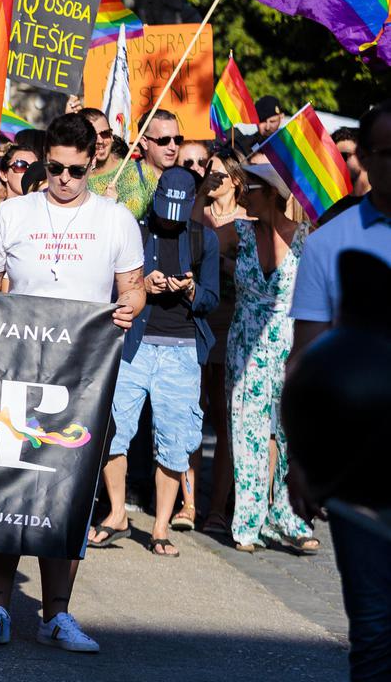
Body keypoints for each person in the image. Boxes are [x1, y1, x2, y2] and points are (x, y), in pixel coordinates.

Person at [0, 112, 145, 654]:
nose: (63, 179)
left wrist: (127, 310)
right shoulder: (11, 212)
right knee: (4, 487)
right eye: (53, 168)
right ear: (44, 160)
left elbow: (132, 290)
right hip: (13, 371)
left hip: (83, 377)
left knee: (64, 494)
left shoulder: (116, 218)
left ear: (94, 160)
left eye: (73, 169)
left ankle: (57, 614)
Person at [290, 100, 391, 678]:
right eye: (388, 153)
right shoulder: (332, 244)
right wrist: (301, 458)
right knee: (375, 631)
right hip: (359, 472)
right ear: (369, 161)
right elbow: (305, 356)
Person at [87, 167, 220, 557]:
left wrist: (192, 287)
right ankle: (116, 514)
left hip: (182, 350)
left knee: (174, 439)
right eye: (164, 212)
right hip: (134, 344)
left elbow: (212, 298)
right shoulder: (137, 230)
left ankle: (160, 527)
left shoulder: (203, 238)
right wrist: (143, 286)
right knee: (114, 427)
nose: (169, 220)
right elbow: (113, 284)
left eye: (177, 215)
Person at [226, 160, 317, 555]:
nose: (244, 193)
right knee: (247, 431)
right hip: (245, 342)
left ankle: (289, 518)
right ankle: (247, 523)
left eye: (253, 188)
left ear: (273, 194)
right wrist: (203, 190)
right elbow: (194, 231)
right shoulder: (239, 232)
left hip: (289, 344)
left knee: (291, 432)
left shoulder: (305, 238)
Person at [190, 149, 247, 533]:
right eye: (207, 173)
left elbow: (252, 273)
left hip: (231, 325)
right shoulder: (201, 213)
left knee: (225, 422)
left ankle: (217, 509)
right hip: (196, 323)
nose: (211, 180)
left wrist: (222, 264)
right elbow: (186, 242)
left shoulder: (246, 222)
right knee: (194, 413)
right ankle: (187, 503)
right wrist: (198, 197)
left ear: (237, 183)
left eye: (219, 175)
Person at [82, 106, 150, 220]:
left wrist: (116, 206)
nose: (100, 141)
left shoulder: (139, 172)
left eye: (105, 134)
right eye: (92, 135)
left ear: (112, 136)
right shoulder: (69, 177)